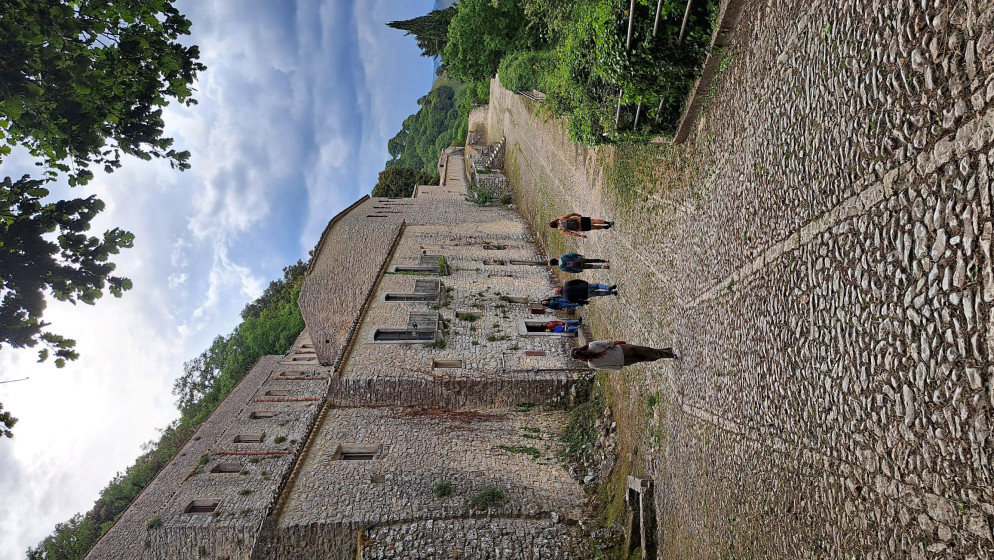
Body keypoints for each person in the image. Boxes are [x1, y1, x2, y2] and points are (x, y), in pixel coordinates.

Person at [571, 340, 676, 370]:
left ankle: (666, 352)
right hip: (622, 350)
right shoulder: (592, 345)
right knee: (646, 351)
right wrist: (619, 342)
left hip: (623, 361)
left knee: (644, 357)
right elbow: (608, 343)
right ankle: (669, 354)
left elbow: (608, 367)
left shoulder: (591, 365)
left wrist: (619, 366)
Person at [549, 213, 613, 238]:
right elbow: (570, 214)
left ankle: (605, 227)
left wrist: (580, 235)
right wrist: (578, 215)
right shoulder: (561, 219)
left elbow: (571, 233)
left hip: (580, 228)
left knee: (593, 227)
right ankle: (608, 222)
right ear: (554, 221)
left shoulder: (561, 230)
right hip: (579, 220)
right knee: (594, 221)